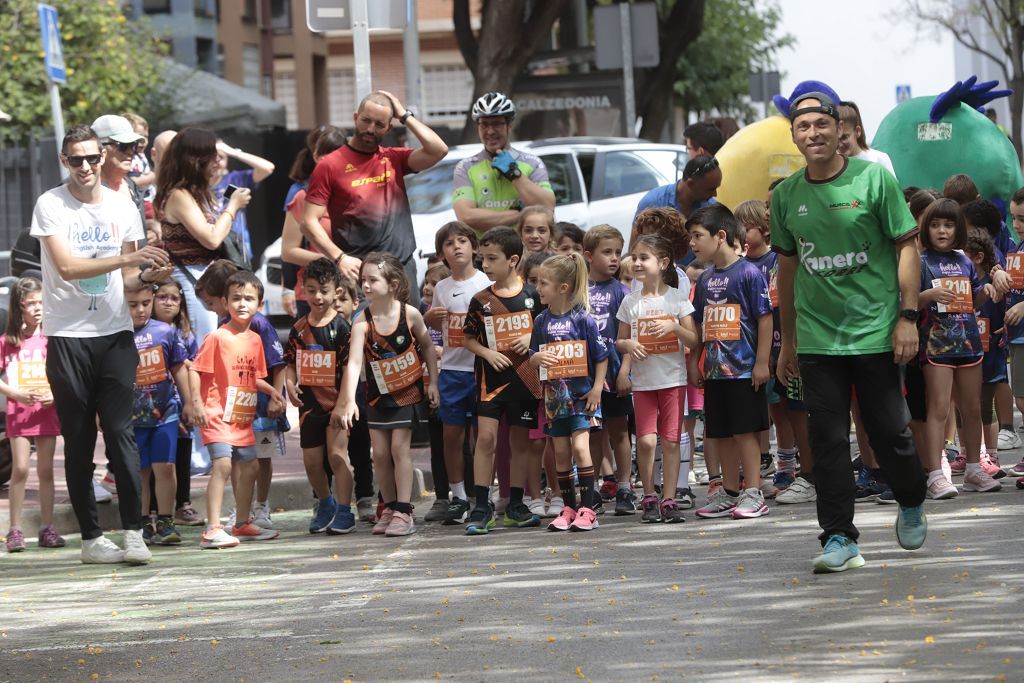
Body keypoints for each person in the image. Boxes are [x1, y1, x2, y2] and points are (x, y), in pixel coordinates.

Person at [771, 87, 928, 573]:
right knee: (828, 440)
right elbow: (789, 271)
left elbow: (907, 247)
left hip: (876, 333)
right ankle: (840, 537)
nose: (813, 134)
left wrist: (907, 318)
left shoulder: (874, 178)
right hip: (819, 341)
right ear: (794, 136)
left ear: (841, 129)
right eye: (803, 127)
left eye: (822, 124)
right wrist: (788, 342)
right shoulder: (786, 195)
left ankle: (910, 497)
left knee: (889, 434)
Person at [32, 124, 172, 565]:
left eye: (93, 158)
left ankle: (134, 531)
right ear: (64, 161)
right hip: (68, 336)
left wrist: (149, 273)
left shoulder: (122, 203)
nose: (87, 166)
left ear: (103, 156)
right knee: (78, 438)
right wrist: (130, 257)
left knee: (120, 433)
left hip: (114, 334)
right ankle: (92, 538)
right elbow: (69, 268)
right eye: (77, 159)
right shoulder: (51, 204)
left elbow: (129, 277)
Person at [302, 90, 449, 291]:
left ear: (389, 128)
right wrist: (340, 258)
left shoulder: (393, 158)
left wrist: (404, 116)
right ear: (355, 118)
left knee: (409, 322)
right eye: (366, 120)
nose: (370, 129)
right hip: (360, 272)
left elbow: (439, 150)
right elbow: (309, 221)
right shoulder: (330, 165)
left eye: (379, 124)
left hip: (401, 267)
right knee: (365, 324)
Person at [339, 254, 440, 537]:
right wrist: (348, 399)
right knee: (380, 454)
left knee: (399, 449)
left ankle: (405, 510)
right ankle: (390, 506)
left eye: (373, 280)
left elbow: (428, 347)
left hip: (407, 392)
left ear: (392, 283)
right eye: (363, 281)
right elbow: (354, 363)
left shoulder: (410, 314)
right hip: (377, 396)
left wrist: (432, 383)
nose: (366, 286)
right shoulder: (362, 320)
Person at [688, 205, 773, 521]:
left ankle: (753, 491)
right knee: (720, 431)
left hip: (743, 370)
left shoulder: (749, 273)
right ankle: (730, 490)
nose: (693, 244)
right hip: (713, 371)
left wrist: (762, 362)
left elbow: (764, 319)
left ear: (720, 235)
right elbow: (699, 325)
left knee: (744, 432)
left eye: (698, 236)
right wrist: (693, 363)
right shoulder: (707, 278)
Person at [189, 271, 284, 548]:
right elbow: (196, 370)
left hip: (241, 416)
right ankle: (212, 528)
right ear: (224, 301)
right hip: (216, 414)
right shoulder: (217, 337)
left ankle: (242, 523)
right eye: (236, 298)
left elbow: (251, 376)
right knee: (222, 465)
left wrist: (274, 392)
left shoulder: (255, 340)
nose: (242, 304)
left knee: (252, 465)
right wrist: (196, 403)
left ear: (260, 304)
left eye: (249, 299)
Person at [916, 199, 1001, 496]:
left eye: (949, 225)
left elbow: (973, 298)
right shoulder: (920, 259)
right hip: (936, 346)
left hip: (969, 344)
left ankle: (975, 468)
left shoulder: (965, 260)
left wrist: (986, 291)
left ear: (958, 229)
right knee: (938, 409)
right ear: (926, 228)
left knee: (973, 408)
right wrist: (929, 293)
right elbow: (908, 300)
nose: (942, 230)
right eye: (936, 224)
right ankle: (936, 474)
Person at [461, 227, 544, 533]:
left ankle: (516, 505)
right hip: (490, 382)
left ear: (512, 260)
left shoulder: (533, 297)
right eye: (482, 258)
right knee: (485, 439)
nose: (485, 265)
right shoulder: (480, 300)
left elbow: (548, 331)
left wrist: (529, 336)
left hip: (525, 381)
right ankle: (482, 506)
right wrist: (486, 353)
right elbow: (468, 339)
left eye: (491, 259)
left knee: (520, 442)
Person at [616, 234, 698, 523]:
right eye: (634, 257)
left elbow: (694, 339)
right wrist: (628, 351)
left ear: (663, 263)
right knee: (648, 442)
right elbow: (620, 341)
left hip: (673, 381)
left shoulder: (677, 299)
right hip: (643, 383)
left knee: (671, 440)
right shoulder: (629, 302)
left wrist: (674, 327)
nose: (637, 262)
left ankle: (669, 499)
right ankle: (649, 495)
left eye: (643, 257)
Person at [529, 253, 609, 532]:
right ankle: (569, 507)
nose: (538, 288)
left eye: (544, 283)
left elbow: (601, 356)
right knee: (561, 452)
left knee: (580, 447)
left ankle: (589, 509)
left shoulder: (583, 319)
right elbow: (532, 353)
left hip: (582, 398)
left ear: (563, 288)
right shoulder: (540, 321)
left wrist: (597, 389)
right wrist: (535, 358)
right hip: (554, 400)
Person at [156, 127, 253, 345]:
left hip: (206, 279)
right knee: (204, 349)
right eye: (212, 157)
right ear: (196, 161)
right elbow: (211, 239)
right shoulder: (179, 195)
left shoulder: (197, 193)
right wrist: (233, 206)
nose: (218, 163)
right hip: (193, 281)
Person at [423, 222, 491, 525]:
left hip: (481, 368)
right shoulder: (441, 288)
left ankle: (482, 495)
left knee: (482, 437)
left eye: (463, 240)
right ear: (442, 254)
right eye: (449, 243)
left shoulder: (485, 282)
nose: (457, 247)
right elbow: (440, 328)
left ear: (474, 247)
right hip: (452, 370)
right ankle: (458, 495)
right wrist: (430, 318)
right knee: (452, 435)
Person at [285, 257, 356, 535]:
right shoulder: (298, 329)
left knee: (337, 457)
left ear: (336, 291)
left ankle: (345, 510)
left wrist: (344, 403)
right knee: (312, 463)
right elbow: (291, 363)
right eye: (311, 289)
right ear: (303, 290)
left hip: (336, 406)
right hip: (309, 407)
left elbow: (351, 367)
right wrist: (290, 385)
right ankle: (325, 503)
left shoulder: (341, 329)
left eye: (323, 290)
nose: (317, 296)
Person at [126, 279, 191, 545]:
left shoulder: (165, 332)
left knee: (165, 466)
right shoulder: (115, 334)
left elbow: (178, 367)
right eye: (133, 305)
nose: (140, 310)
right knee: (140, 470)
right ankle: (142, 523)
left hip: (166, 412)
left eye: (145, 303)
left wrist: (189, 402)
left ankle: (165, 521)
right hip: (131, 418)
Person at [0, 278, 63, 552]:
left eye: (41, 302)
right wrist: (15, 394)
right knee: (21, 468)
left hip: (47, 412)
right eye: (31, 303)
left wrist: (56, 396)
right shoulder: (8, 342)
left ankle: (47, 527)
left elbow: (64, 376)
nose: (38, 308)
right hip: (19, 413)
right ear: (19, 306)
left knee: (46, 470)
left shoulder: (52, 339)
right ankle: (15, 529)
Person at [584, 226, 635, 515]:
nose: (615, 258)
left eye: (618, 252)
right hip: (587, 379)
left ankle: (625, 487)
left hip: (616, 375)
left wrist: (625, 371)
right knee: (591, 433)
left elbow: (628, 338)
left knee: (619, 432)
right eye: (607, 252)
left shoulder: (623, 293)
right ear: (588, 255)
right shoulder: (577, 290)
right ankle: (590, 489)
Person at [452, 91, 556, 236]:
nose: (490, 131)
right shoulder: (465, 167)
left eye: (497, 124)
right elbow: (467, 216)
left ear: (509, 126)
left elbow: (547, 208)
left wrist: (515, 174)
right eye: (484, 125)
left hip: (522, 253)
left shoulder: (532, 163)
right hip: (484, 254)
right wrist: (521, 214)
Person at [150, 278, 204, 526]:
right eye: (162, 297)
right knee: (155, 458)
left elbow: (195, 367)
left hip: (179, 404)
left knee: (182, 454)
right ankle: (152, 507)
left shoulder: (186, 335)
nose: (168, 302)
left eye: (174, 298)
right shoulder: (145, 331)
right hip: (152, 405)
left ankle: (183, 503)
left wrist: (192, 400)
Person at [281, 127, 347, 318]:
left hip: (351, 292)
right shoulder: (301, 195)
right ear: (317, 156)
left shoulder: (356, 193)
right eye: (328, 156)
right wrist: (336, 260)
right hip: (315, 294)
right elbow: (288, 251)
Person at [212, 139, 275, 264]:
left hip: (237, 246)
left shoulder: (234, 179)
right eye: (212, 157)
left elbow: (268, 168)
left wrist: (234, 152)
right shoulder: (196, 185)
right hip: (211, 245)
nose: (217, 161)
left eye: (222, 157)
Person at [92, 114, 147, 225]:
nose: (130, 151)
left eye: (133, 145)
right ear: (99, 148)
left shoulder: (131, 186)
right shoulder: (81, 191)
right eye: (123, 145)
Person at [837, 101, 897, 177]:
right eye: (836, 138)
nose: (840, 144)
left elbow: (892, 188)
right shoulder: (832, 165)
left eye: (844, 137)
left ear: (857, 131)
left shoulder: (878, 159)